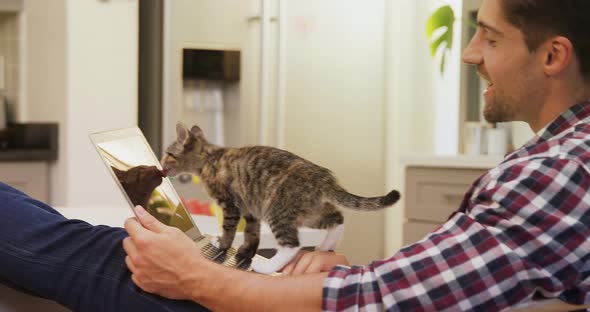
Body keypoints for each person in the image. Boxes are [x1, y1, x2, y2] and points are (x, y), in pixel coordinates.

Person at [0, 0, 589, 310]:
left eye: (489, 35)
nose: (468, 53)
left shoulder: (559, 172)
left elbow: (378, 305)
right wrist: (353, 274)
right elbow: (417, 287)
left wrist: (199, 279)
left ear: (553, 55)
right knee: (83, 235)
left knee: (92, 249)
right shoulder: (562, 156)